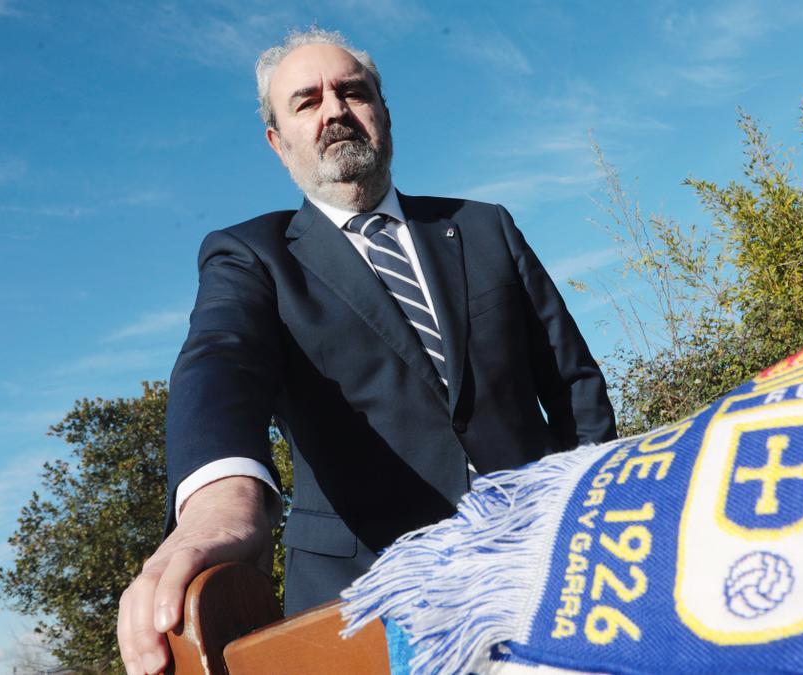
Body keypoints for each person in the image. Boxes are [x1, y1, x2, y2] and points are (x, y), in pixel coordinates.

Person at [115, 28, 616, 675]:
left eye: (353, 91)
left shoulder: (486, 225)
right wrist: (219, 500)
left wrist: (598, 504)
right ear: (277, 140)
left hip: (548, 570)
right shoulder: (252, 256)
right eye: (307, 100)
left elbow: (575, 384)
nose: (334, 110)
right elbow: (220, 359)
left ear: (382, 111)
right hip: (363, 609)